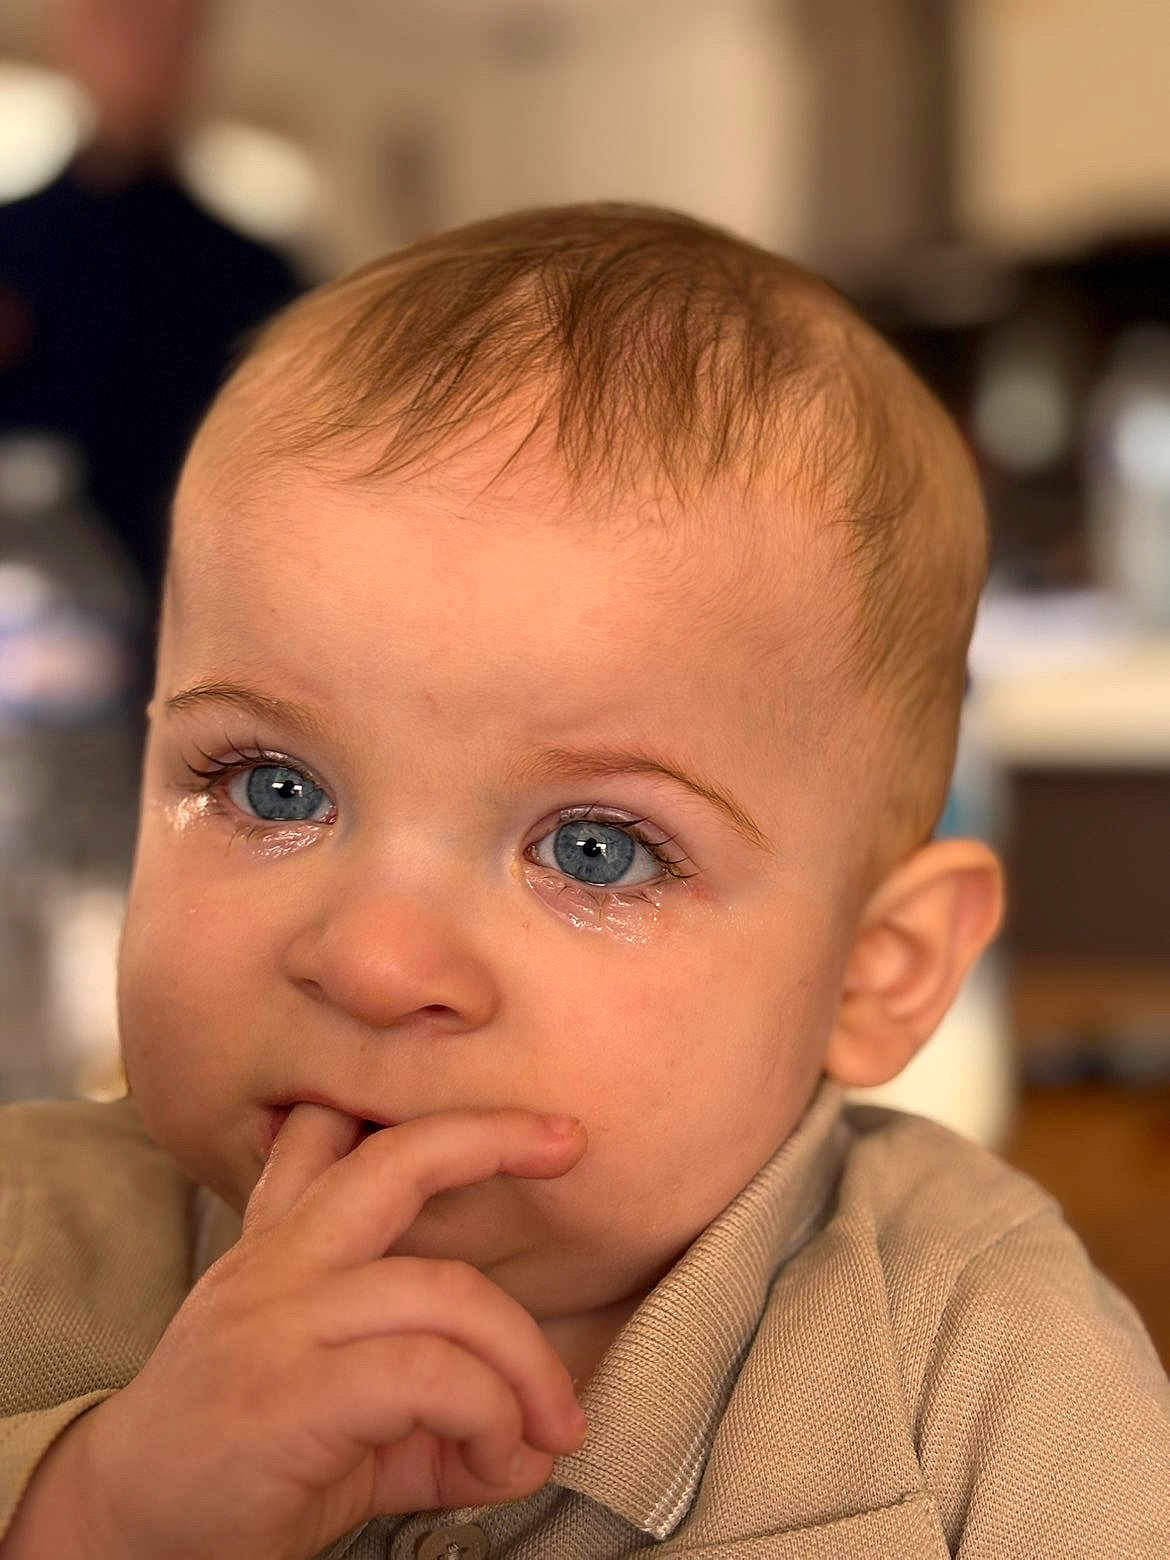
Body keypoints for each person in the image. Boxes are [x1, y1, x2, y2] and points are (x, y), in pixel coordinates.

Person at [1, 203, 1167, 1560]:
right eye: (273, 787)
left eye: (594, 850)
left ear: (872, 969)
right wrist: (100, 1518)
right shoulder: (28, 1251)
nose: (375, 961)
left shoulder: (985, 1379)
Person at [0, 0, 303, 609]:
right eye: (114, 20)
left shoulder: (259, 275)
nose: (137, 48)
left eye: (163, 26)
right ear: (67, 35)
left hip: (199, 611)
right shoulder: (11, 248)